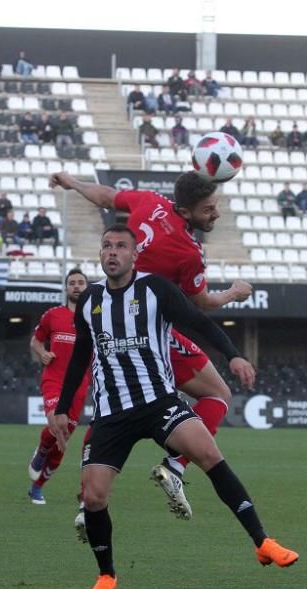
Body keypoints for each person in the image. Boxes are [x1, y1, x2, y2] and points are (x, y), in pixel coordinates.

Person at [48, 224, 298, 589]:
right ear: (100, 255)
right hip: (112, 414)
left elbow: (198, 322)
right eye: (106, 246)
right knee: (95, 497)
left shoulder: (155, 290)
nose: (112, 252)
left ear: (134, 255)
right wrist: (64, 408)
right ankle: (106, 576)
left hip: (159, 402)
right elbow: (82, 355)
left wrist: (232, 354)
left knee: (210, 454)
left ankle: (262, 541)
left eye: (120, 246)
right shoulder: (90, 300)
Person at [50, 170, 255, 522]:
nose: (216, 214)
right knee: (218, 395)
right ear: (188, 213)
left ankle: (88, 501)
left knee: (112, 407)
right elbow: (200, 305)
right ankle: (175, 466)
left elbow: (104, 196)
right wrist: (233, 294)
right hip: (151, 334)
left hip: (110, 324)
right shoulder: (188, 251)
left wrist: (72, 183)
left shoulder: (149, 200)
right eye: (209, 209)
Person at [26, 269, 92, 504]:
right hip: (54, 378)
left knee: (63, 439)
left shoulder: (96, 317)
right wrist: (43, 353)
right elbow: (35, 340)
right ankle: (41, 451)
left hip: (79, 386)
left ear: (87, 287)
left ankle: (37, 486)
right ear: (66, 288)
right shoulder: (53, 315)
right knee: (55, 424)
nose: (76, 286)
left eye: (80, 283)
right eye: (72, 283)